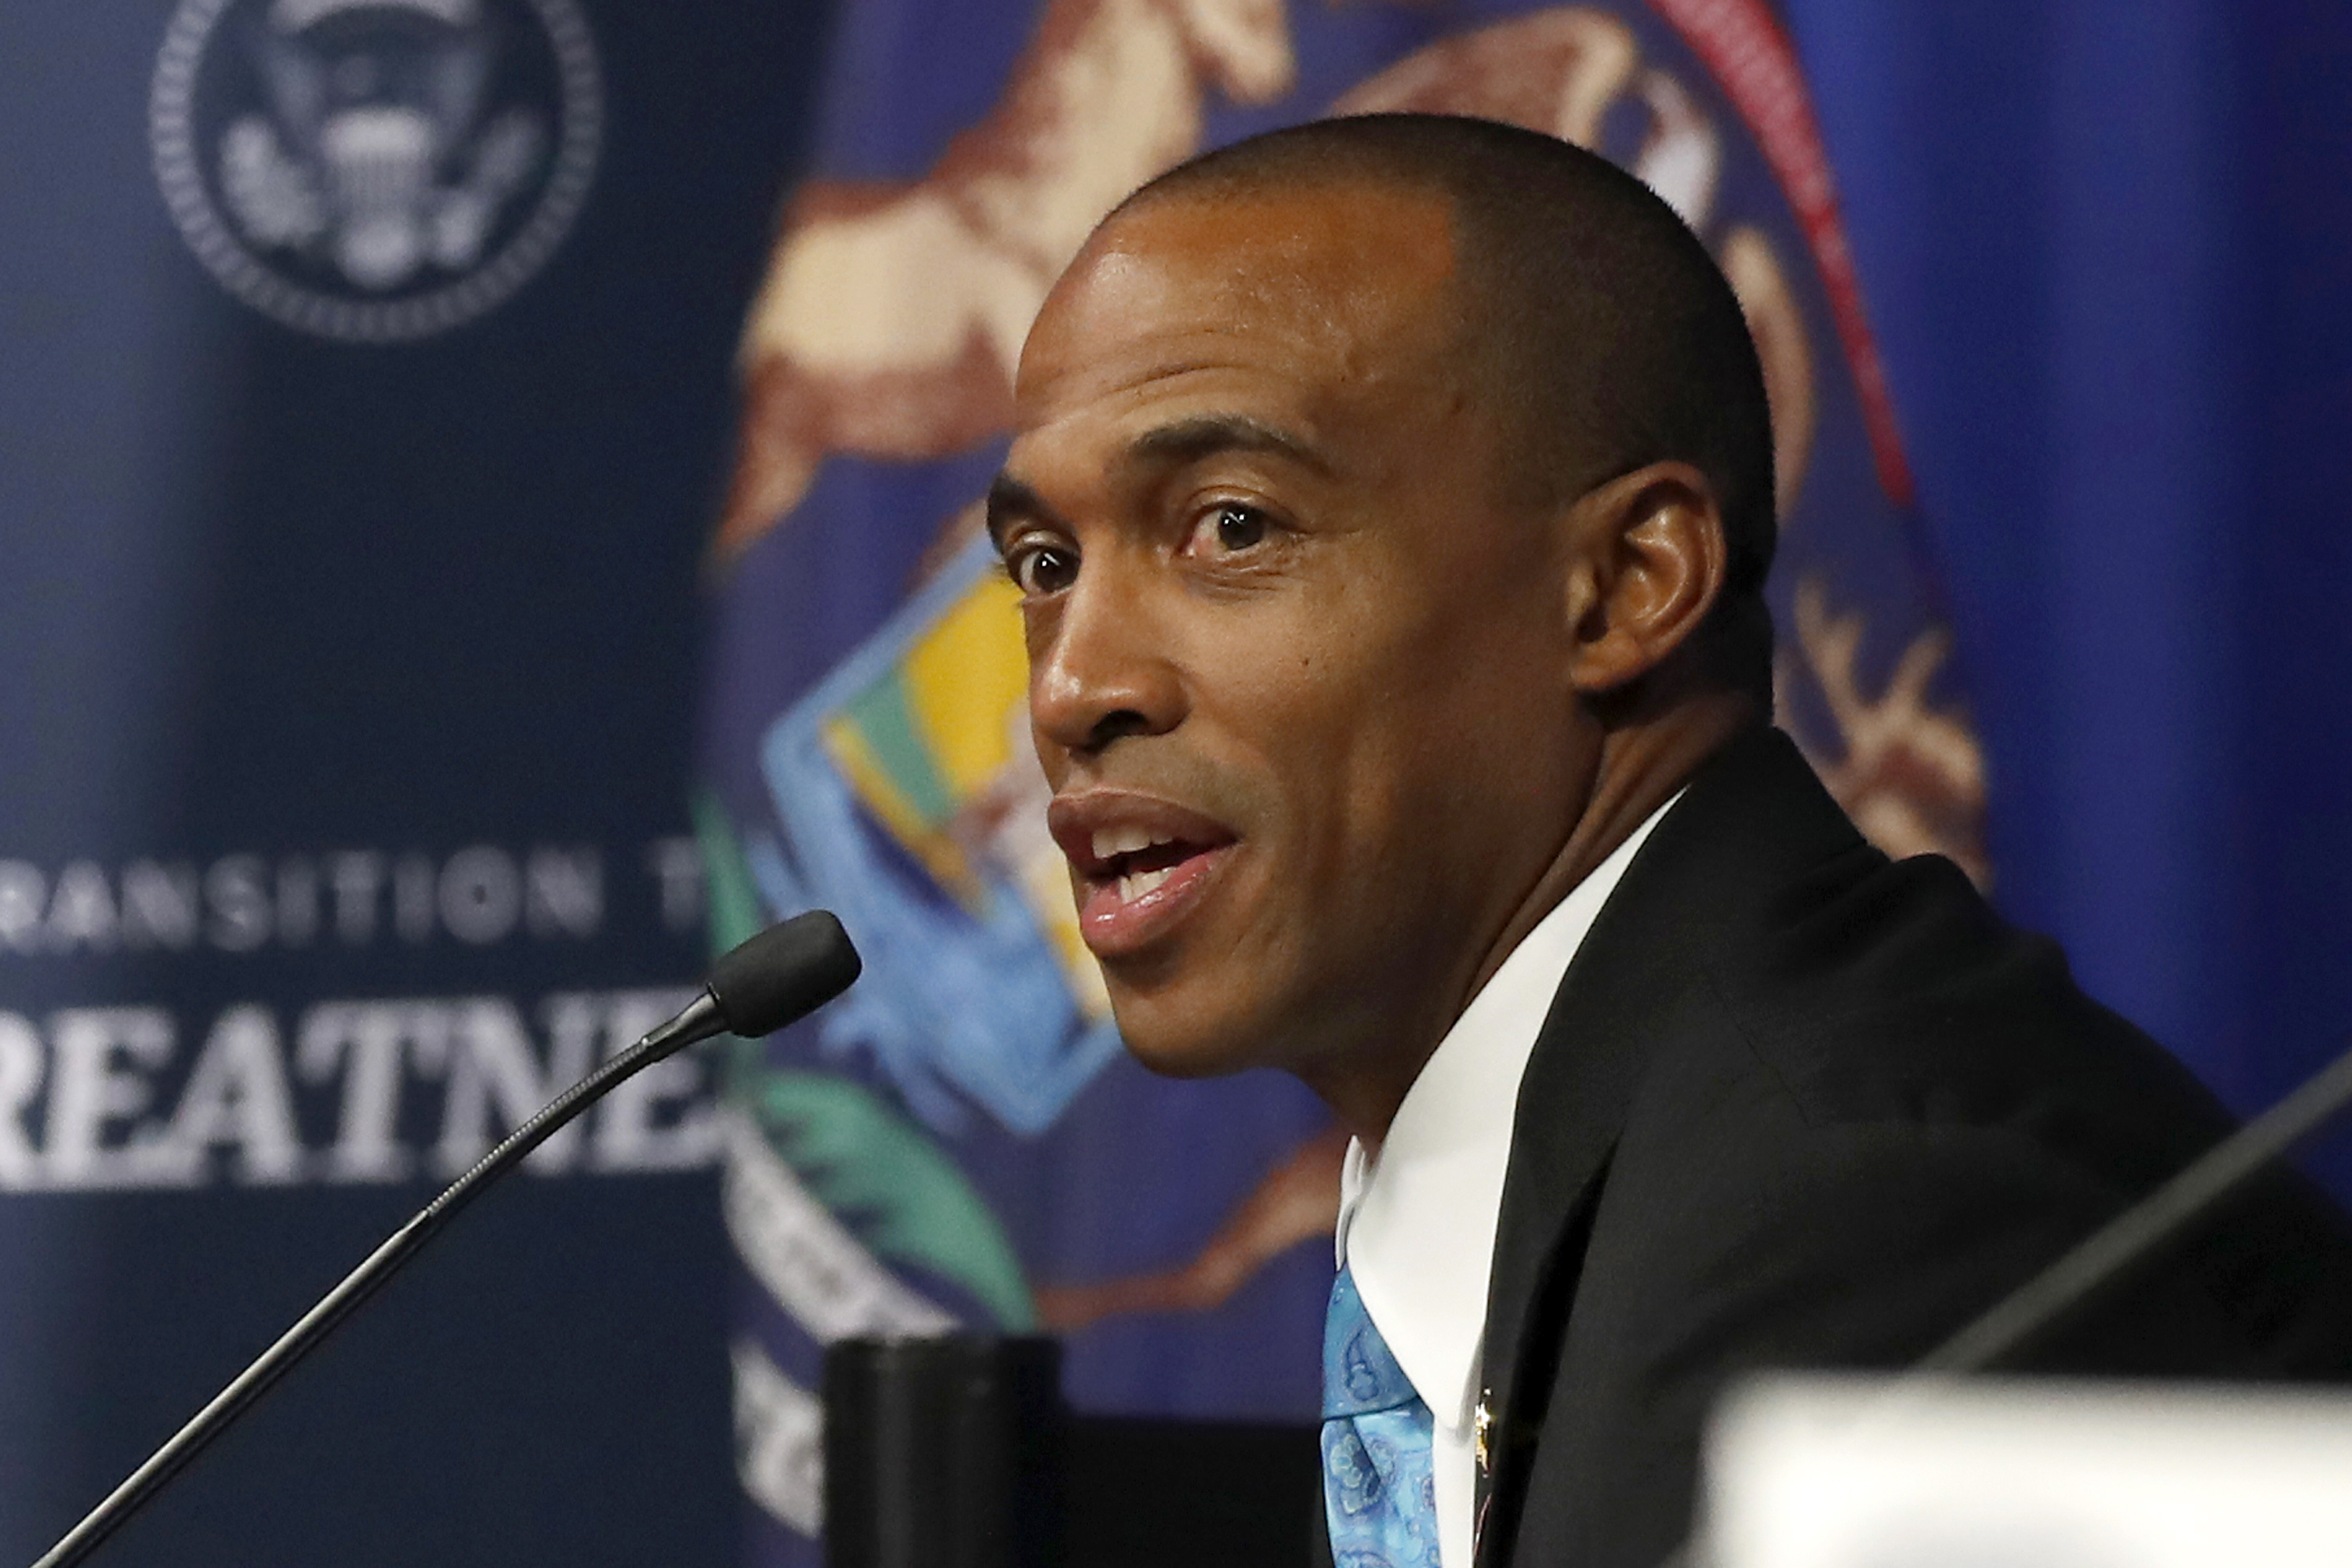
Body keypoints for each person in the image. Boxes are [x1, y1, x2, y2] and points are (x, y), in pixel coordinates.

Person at [983, 114, 2352, 1568]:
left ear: (1627, 585)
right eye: (1046, 566)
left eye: (1233, 527)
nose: (1074, 688)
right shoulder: (1618, 1152)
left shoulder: (1867, 1223)